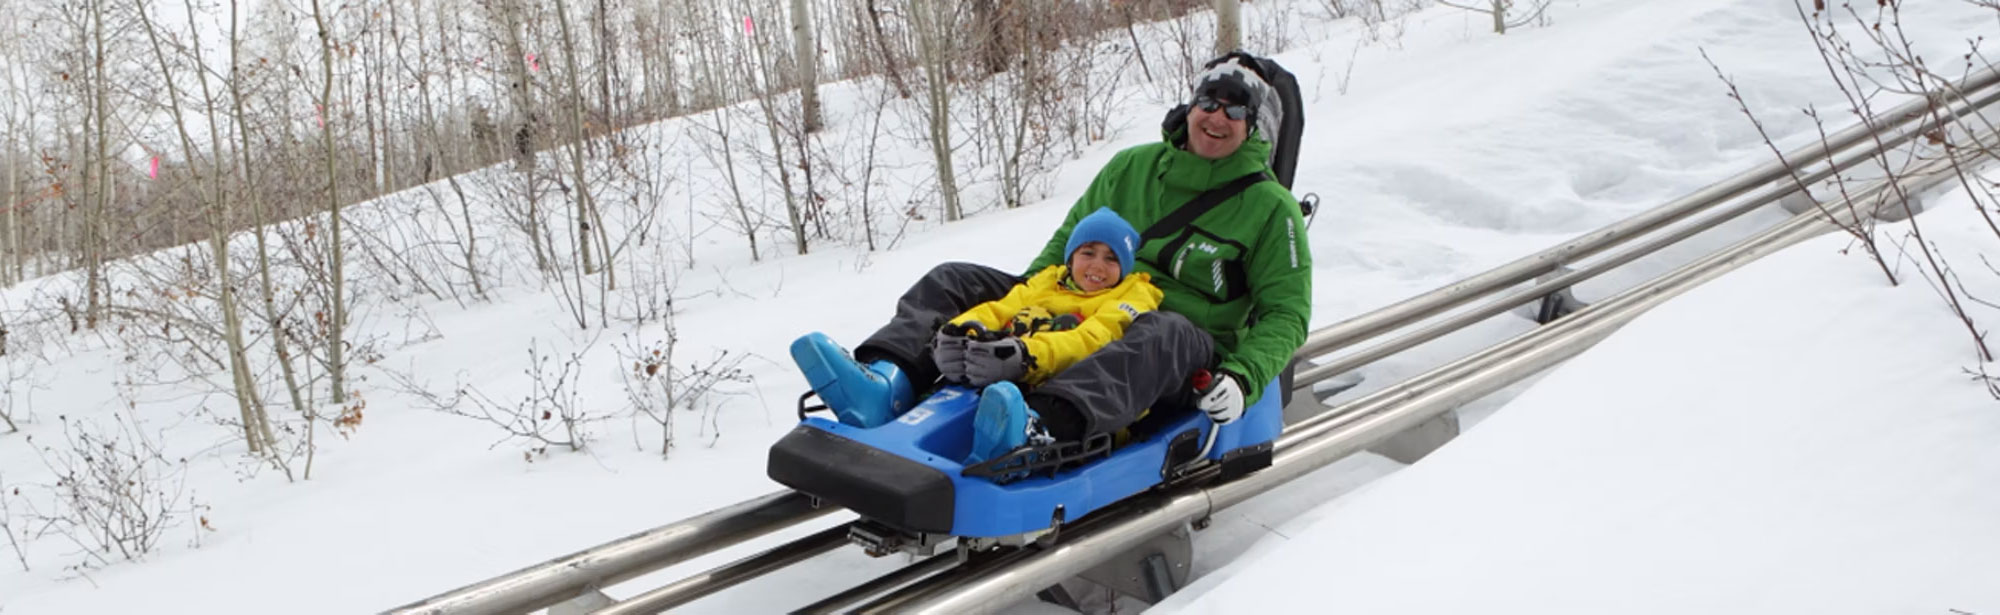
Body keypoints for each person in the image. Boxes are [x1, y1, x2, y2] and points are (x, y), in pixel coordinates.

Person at [792, 52, 1312, 464]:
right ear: (1192, 105)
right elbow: (1062, 249)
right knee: (955, 279)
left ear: (1255, 126)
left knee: (1163, 330)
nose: (1217, 116)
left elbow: (1286, 314)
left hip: (1178, 345)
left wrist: (1243, 376)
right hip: (1087, 298)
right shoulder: (1132, 167)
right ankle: (888, 383)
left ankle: (1037, 426)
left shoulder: (1271, 208)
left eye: (1236, 107)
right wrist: (1022, 305)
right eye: (1210, 100)